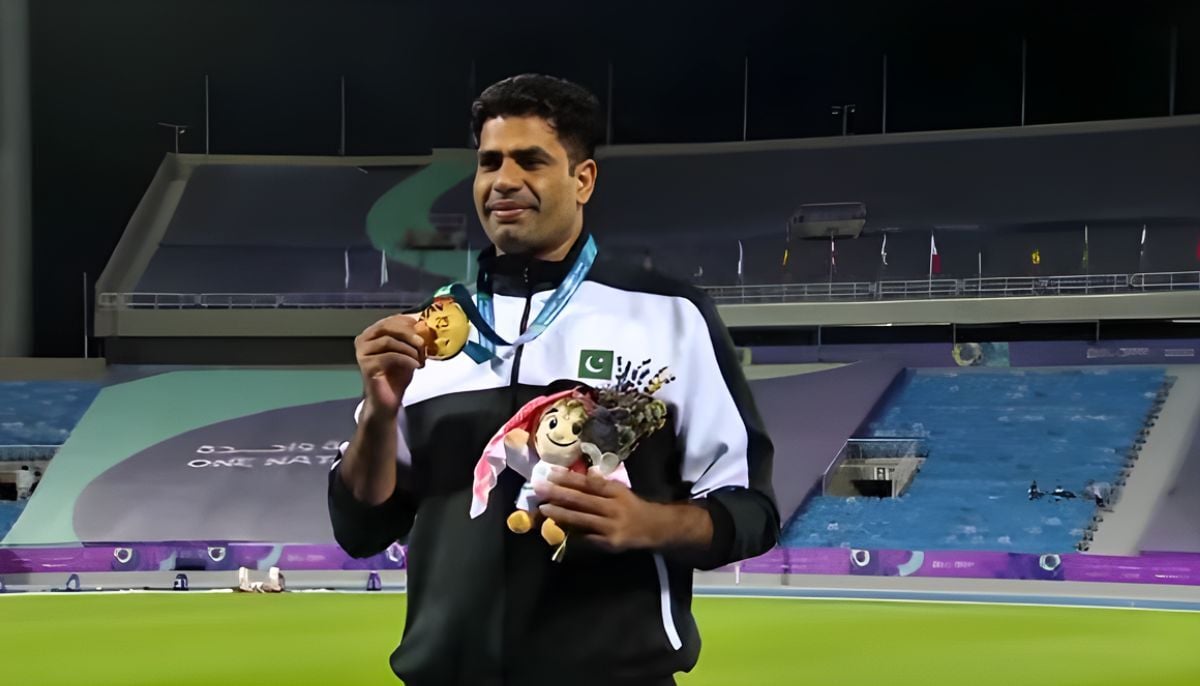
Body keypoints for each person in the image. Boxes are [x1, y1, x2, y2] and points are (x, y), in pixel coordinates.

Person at [328, 74, 778, 686]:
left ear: (583, 179)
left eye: (530, 161)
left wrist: (647, 523)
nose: (503, 180)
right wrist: (380, 415)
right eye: (490, 163)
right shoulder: (425, 333)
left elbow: (750, 510)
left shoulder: (668, 316)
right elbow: (361, 528)